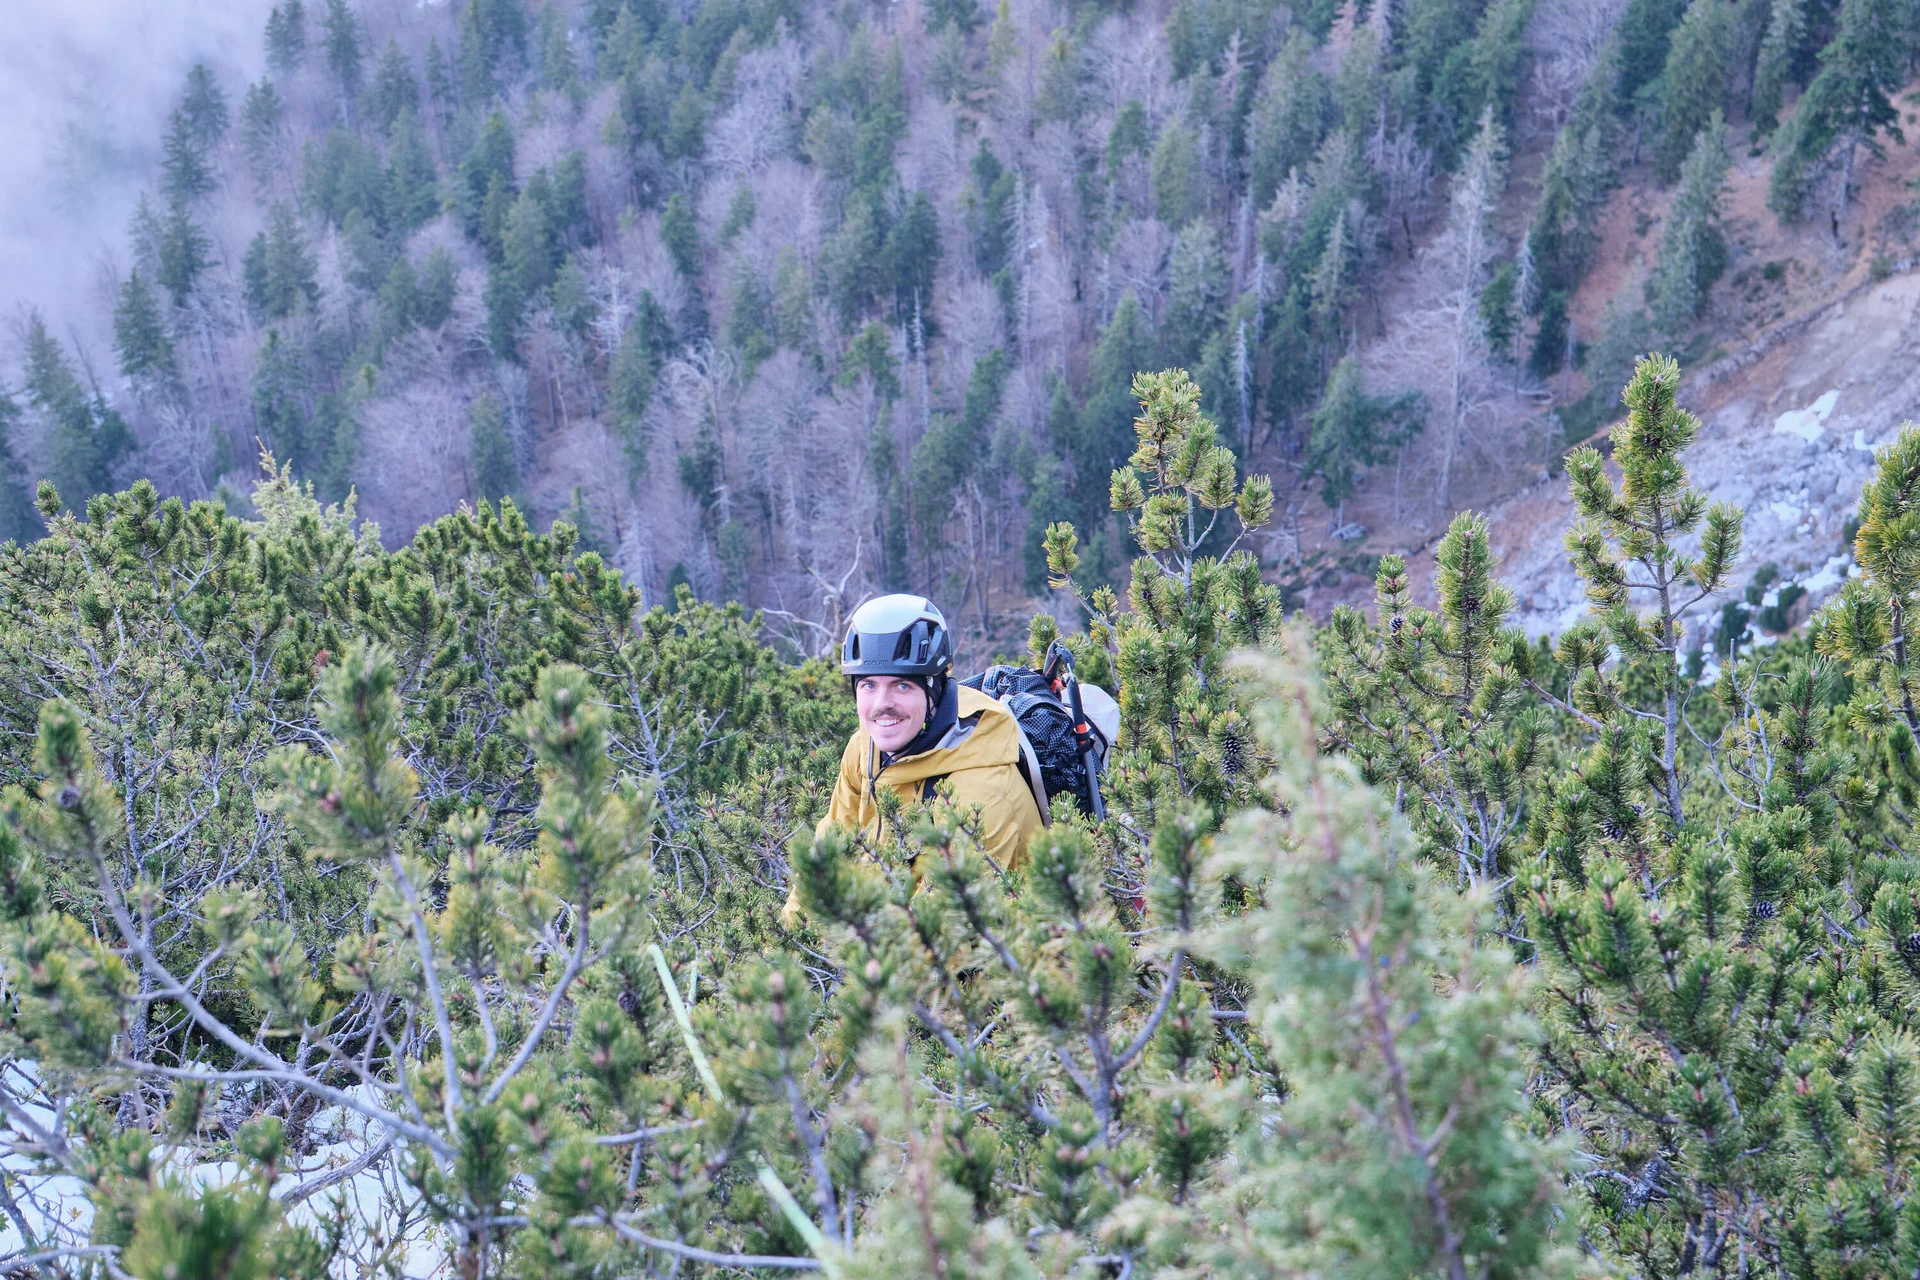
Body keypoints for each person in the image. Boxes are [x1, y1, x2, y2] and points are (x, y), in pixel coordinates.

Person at [786, 594, 1045, 921]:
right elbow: (824, 860)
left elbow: (950, 936)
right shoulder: (865, 750)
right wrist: (783, 954)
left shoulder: (978, 793)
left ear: (934, 689)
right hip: (882, 936)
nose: (882, 703)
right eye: (868, 685)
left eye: (902, 686)